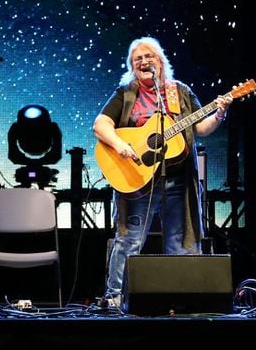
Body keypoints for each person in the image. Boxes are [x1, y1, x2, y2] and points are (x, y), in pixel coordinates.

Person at [93, 36, 232, 310]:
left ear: (160, 62)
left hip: (178, 180)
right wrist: (121, 145)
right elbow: (100, 125)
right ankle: (114, 298)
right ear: (132, 67)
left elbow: (199, 129)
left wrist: (219, 114)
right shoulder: (125, 93)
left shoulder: (179, 92)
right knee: (129, 240)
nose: (144, 62)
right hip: (138, 179)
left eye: (150, 57)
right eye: (138, 59)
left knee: (179, 241)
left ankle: (182, 297)